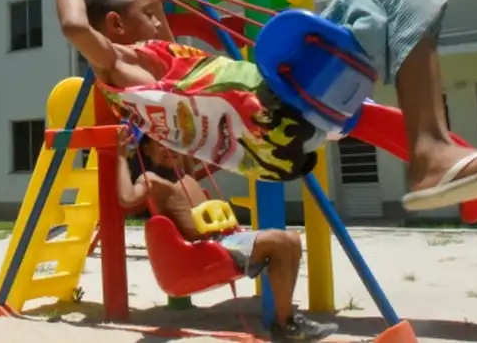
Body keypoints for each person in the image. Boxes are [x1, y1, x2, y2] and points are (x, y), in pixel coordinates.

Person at [46, 0, 477, 212]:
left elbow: (173, 60)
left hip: (282, 131)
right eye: (151, 15)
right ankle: (430, 155)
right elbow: (74, 26)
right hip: (274, 112)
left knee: (392, 8)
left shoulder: (162, 70)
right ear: (115, 26)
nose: (162, 21)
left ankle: (432, 153)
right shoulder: (120, 67)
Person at [117, 130, 337, 341]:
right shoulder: (151, 179)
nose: (169, 149)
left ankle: (287, 320)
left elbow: (187, 148)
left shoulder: (183, 173)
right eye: (161, 144)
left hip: (222, 240)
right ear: (145, 149)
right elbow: (126, 198)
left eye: (172, 144)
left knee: (292, 240)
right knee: (278, 241)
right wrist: (119, 156)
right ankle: (286, 325)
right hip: (204, 252)